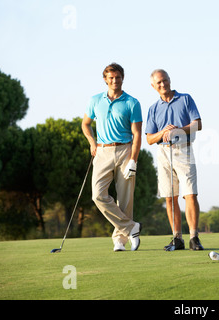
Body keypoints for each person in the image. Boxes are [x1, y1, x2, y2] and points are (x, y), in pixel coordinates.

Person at [81, 62, 143, 252]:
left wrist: (133, 159)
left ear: (122, 78)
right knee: (98, 195)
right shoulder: (94, 100)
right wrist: (92, 142)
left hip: (125, 151)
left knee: (125, 200)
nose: (115, 80)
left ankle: (119, 241)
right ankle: (131, 227)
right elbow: (86, 124)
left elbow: (137, 134)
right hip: (102, 151)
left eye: (117, 77)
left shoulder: (132, 102)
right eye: (111, 77)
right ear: (105, 80)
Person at [146, 69, 203, 251]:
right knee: (170, 198)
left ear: (169, 80)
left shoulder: (185, 99)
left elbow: (197, 124)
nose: (163, 85)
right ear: (153, 86)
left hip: (183, 150)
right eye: (159, 83)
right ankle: (177, 239)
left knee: (190, 194)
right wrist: (162, 132)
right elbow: (149, 139)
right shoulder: (153, 109)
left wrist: (178, 130)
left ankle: (194, 237)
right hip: (163, 154)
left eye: (165, 81)